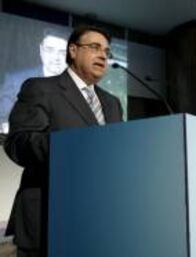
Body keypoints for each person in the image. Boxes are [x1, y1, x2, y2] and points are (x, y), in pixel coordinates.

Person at [3, 25, 123, 257]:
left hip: (96, 220)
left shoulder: (112, 103)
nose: (102, 55)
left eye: (107, 52)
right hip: (48, 216)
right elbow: (18, 143)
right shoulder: (40, 88)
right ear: (73, 51)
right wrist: (72, 145)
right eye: (95, 47)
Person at [0, 28, 68, 133]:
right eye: (50, 50)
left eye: (63, 52)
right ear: (41, 50)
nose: (56, 57)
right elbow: (3, 118)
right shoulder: (15, 81)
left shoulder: (80, 86)